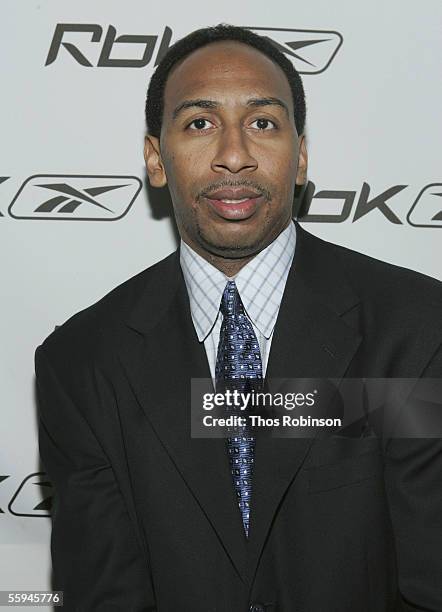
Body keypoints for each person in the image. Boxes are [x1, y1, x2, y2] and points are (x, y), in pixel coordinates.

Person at [35, 24, 442, 612]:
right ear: (156, 159)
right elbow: (103, 594)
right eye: (200, 123)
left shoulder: (419, 332)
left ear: (300, 157)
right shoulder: (81, 363)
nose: (233, 155)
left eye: (263, 123)